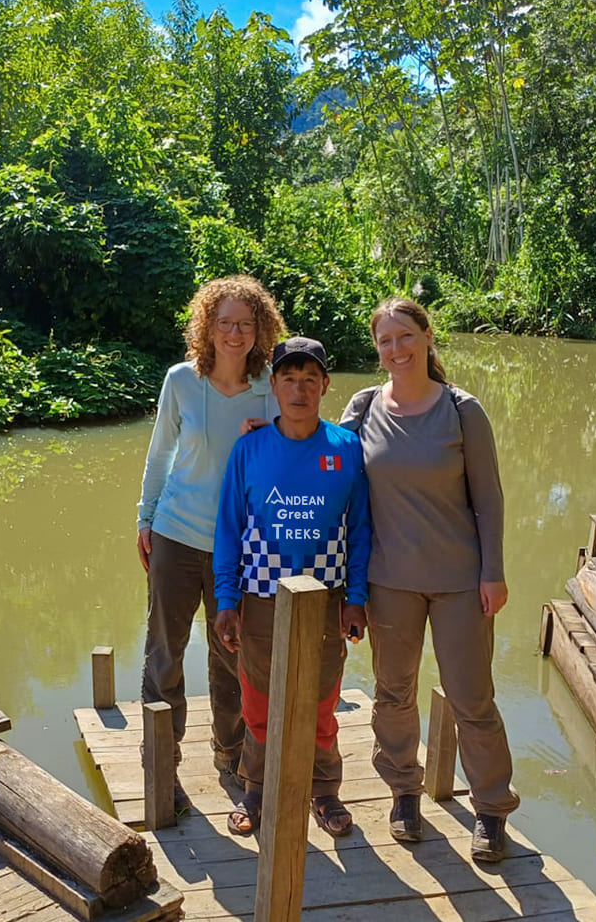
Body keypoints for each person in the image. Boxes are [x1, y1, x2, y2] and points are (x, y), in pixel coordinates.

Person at [339, 297, 518, 862]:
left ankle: (491, 810)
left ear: (427, 337)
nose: (396, 349)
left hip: (462, 582)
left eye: (405, 337)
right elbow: (323, 461)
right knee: (394, 694)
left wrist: (494, 572)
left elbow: (489, 501)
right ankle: (403, 795)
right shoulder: (364, 407)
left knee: (473, 699)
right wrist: (265, 432)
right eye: (385, 341)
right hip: (389, 580)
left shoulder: (463, 411)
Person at [136, 276, 286, 813]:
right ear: (207, 326)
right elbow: (159, 457)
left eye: (246, 323)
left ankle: (232, 755)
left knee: (233, 656)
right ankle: (164, 766)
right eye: (224, 322)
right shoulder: (181, 381)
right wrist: (145, 517)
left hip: (245, 545)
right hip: (177, 533)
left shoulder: (274, 386)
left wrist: (268, 436)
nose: (235, 333)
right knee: (165, 653)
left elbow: (297, 459)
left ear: (260, 328)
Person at [212, 337, 371, 838]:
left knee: (322, 701)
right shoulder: (249, 449)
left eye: (309, 380)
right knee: (258, 701)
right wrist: (227, 600)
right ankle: (256, 788)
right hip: (261, 598)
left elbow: (361, 528)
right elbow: (229, 528)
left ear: (325, 386)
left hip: (325, 600)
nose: (299, 390)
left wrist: (357, 598)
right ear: (274, 385)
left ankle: (324, 791)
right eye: (288, 379)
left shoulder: (346, 449)